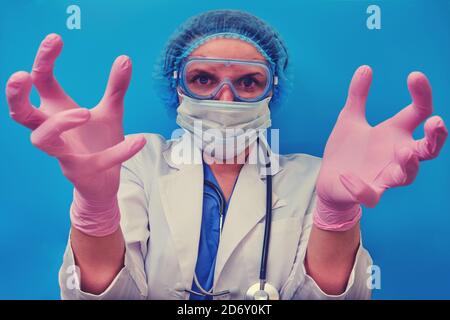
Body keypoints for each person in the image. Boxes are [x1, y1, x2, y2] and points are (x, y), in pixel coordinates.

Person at [5, 10, 447, 300]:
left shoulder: (319, 178)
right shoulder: (133, 160)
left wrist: (336, 213)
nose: (225, 97)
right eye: (202, 78)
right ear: (175, 85)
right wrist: (95, 207)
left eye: (248, 83)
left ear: (272, 92)